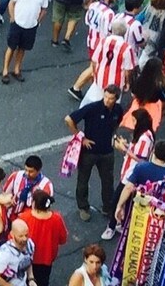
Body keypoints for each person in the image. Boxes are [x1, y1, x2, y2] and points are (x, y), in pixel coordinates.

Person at [64, 86, 122, 235]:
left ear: (116, 99)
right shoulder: (93, 108)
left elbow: (116, 125)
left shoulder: (118, 110)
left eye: (111, 98)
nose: (108, 101)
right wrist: (80, 137)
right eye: (106, 97)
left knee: (108, 181)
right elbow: (69, 119)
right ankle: (83, 207)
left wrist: (112, 135)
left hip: (107, 152)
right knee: (83, 180)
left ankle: (107, 207)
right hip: (89, 152)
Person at [3, 0, 50, 82]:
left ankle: (17, 69)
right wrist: (12, 18)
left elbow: (44, 9)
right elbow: (11, 3)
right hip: (18, 23)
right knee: (11, 47)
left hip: (31, 26)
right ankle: (5, 70)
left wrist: (38, 21)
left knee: (22, 48)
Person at [0, 220, 35, 286]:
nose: (25, 239)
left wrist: (31, 279)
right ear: (12, 235)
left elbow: (28, 262)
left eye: (26, 235)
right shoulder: (3, 253)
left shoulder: (30, 245)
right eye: (20, 236)